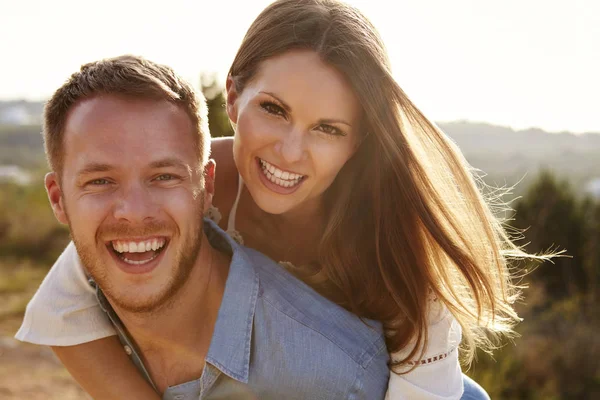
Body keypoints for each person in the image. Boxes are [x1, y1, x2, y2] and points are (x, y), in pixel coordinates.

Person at [17, 0, 546, 398]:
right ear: (233, 94)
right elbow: (62, 309)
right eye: (274, 109)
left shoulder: (395, 234)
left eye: (328, 129)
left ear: (358, 139)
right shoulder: (188, 184)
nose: (290, 152)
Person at [18, 54, 390, 399]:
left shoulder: (342, 375)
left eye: (164, 176)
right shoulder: (79, 308)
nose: (133, 212)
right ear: (58, 199)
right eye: (100, 181)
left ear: (207, 186)